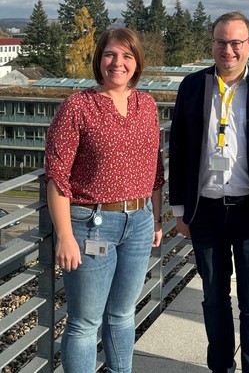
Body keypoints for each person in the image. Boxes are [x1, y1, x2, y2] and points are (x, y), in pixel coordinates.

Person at [169, 11, 249, 373]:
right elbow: (178, 149)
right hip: (204, 210)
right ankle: (220, 367)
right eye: (221, 42)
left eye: (236, 42)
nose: (228, 49)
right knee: (213, 299)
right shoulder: (192, 87)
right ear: (212, 44)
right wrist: (179, 209)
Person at [45, 27, 165, 373]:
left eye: (127, 56)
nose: (118, 63)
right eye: (110, 54)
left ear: (137, 63)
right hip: (90, 225)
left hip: (140, 222)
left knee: (123, 314)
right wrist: (65, 235)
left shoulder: (147, 104)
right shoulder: (77, 106)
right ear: (99, 60)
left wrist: (156, 219)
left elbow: (154, 168)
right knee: (85, 322)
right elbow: (57, 176)